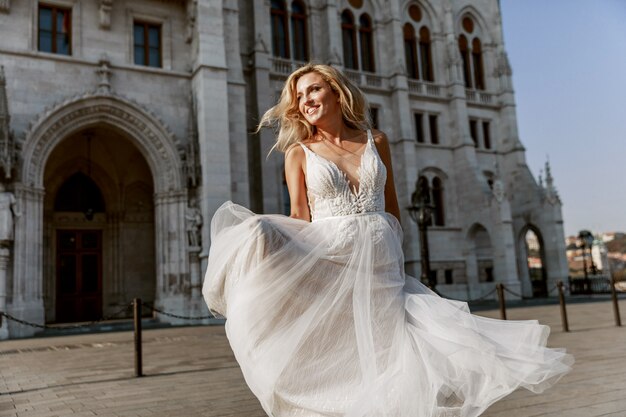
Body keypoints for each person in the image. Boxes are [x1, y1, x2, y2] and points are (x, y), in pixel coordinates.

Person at [202, 63, 572, 417]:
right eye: (298, 96)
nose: (306, 101)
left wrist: (398, 258)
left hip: (382, 267)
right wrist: (266, 242)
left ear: (336, 90)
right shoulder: (298, 152)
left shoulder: (376, 140)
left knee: (394, 355)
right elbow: (300, 218)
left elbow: (391, 208)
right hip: (334, 262)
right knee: (345, 357)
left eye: (313, 89)